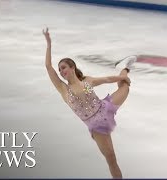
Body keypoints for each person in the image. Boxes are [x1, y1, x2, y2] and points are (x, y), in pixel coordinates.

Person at [42, 27, 135, 178]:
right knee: (111, 158)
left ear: (72, 68)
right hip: (96, 125)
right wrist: (49, 44)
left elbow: (107, 79)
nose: (61, 71)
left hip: (106, 107)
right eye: (60, 70)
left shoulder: (87, 81)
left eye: (64, 67)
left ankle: (123, 67)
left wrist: (121, 77)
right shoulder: (63, 89)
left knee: (125, 86)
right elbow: (48, 67)